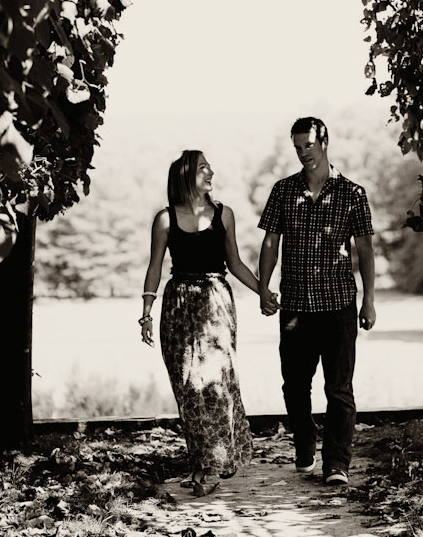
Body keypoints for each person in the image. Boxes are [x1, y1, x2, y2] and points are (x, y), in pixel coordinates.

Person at [140, 149, 271, 496]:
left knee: (215, 382)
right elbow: (155, 266)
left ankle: (211, 465)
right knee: (188, 387)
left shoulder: (224, 214)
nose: (210, 171)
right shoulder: (165, 219)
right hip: (179, 304)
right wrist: (147, 311)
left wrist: (263, 292)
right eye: (202, 168)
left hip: (216, 303)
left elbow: (236, 263)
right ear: (186, 176)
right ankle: (202, 462)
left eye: (209, 166)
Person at [258, 116, 376, 488]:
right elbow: (270, 242)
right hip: (295, 305)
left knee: (339, 389)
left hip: (339, 305)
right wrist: (264, 287)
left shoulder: (353, 194)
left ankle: (337, 464)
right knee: (294, 385)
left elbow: (366, 251)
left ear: (324, 142)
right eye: (296, 147)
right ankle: (305, 442)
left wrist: (369, 300)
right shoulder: (282, 191)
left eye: (308, 145)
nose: (302, 153)